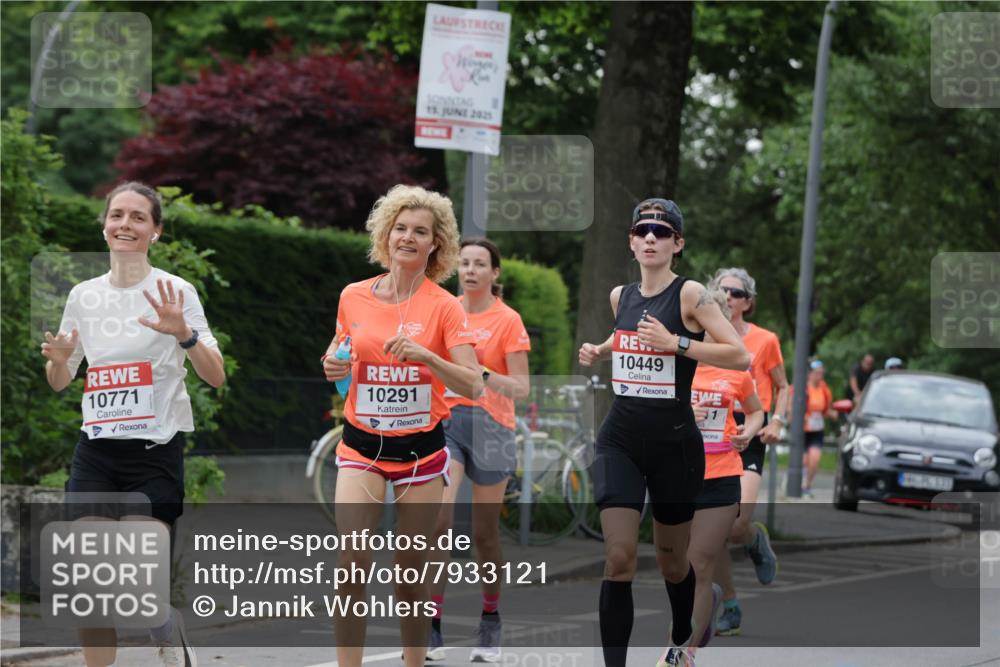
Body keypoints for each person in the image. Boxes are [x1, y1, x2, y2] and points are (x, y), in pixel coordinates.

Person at [41, 181, 225, 667]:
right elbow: (61, 380)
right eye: (117, 215)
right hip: (97, 451)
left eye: (138, 217)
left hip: (153, 453)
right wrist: (59, 360)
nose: (126, 224)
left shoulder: (175, 292)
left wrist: (184, 334)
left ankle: (163, 622)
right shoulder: (84, 295)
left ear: (155, 231)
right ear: (104, 226)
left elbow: (216, 374)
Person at [578, 197, 749, 667]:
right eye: (642, 231)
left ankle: (684, 630)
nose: (650, 238)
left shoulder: (692, 295)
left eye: (661, 231)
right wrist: (602, 348)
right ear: (631, 243)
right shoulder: (621, 296)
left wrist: (679, 344)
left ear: (678, 243)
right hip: (621, 439)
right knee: (619, 556)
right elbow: (628, 333)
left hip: (675, 444)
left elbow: (740, 355)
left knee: (675, 563)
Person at [321, 185, 483, 667]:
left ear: (436, 244)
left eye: (421, 232)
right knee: (351, 566)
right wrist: (334, 366)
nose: (408, 238)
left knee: (410, 572)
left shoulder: (445, 306)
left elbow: (474, 384)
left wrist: (428, 356)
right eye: (400, 228)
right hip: (362, 448)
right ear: (385, 234)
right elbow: (342, 361)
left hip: (420, 454)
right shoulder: (353, 296)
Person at [427, 238, 531, 662]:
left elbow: (522, 389)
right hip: (448, 422)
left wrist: (481, 372)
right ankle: (431, 626)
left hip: (493, 427)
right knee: (440, 521)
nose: (470, 270)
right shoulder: (443, 311)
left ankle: (490, 619)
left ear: (494, 273)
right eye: (464, 263)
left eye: (479, 264)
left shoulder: (508, 320)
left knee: (485, 534)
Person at [706, 268, 788, 636]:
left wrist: (777, 422)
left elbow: (783, 386)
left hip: (749, 431)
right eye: (722, 290)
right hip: (710, 431)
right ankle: (731, 606)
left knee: (737, 524)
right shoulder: (703, 338)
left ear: (747, 303)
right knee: (716, 530)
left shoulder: (765, 340)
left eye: (736, 293)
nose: (728, 296)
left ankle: (753, 537)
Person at [685, 289, 765, 663]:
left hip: (722, 471)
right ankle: (709, 597)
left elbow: (754, 411)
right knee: (681, 564)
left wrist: (748, 431)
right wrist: (686, 417)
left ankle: (685, 650)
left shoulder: (736, 368)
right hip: (679, 471)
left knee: (700, 560)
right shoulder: (677, 361)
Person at [799, 360, 836, 498]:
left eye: (821, 373)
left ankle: (807, 485)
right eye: (816, 373)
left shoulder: (825, 391)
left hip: (817, 430)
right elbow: (793, 407)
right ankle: (796, 482)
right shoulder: (803, 388)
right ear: (810, 374)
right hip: (803, 430)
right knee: (803, 460)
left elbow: (827, 410)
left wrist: (833, 413)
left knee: (814, 459)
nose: (819, 376)